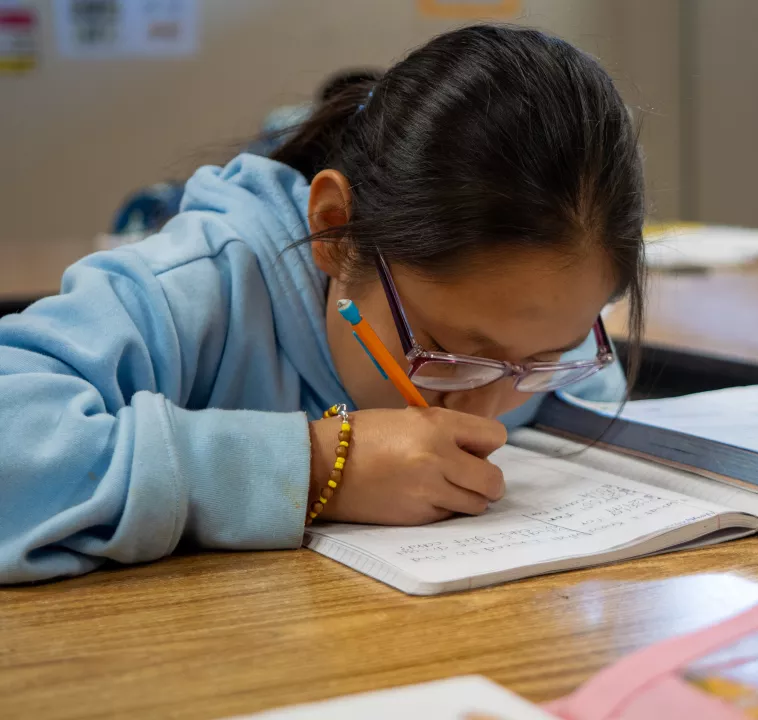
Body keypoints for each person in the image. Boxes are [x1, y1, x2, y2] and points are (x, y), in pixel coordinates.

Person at [0, 25, 645, 584]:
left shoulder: (536, 345)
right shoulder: (205, 285)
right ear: (336, 232)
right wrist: (313, 469)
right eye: (449, 353)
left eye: (543, 359)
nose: (489, 415)